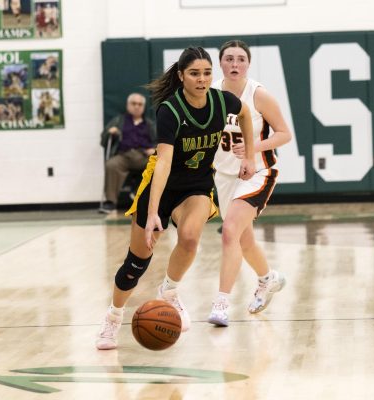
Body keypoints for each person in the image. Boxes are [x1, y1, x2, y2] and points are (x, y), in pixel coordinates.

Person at [96, 46, 256, 350]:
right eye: (194, 73)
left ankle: (169, 290)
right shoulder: (170, 110)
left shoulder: (224, 102)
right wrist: (154, 212)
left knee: (191, 237)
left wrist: (249, 156)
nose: (202, 79)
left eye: (207, 73)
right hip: (161, 183)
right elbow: (165, 163)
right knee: (136, 263)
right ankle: (112, 319)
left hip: (195, 184)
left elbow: (246, 114)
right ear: (181, 76)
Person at [207, 40, 292, 326]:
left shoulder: (259, 95)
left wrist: (254, 148)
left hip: (258, 172)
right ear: (220, 63)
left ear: (248, 64)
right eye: (229, 58)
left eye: (240, 59)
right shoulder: (211, 94)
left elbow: (284, 134)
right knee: (244, 240)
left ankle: (221, 303)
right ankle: (268, 279)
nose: (234, 64)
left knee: (229, 231)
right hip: (224, 175)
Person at [99, 93, 157, 214]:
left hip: (143, 156)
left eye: (140, 104)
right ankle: (110, 202)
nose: (137, 107)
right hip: (124, 155)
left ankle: (145, 196)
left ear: (143, 107)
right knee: (111, 165)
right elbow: (104, 140)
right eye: (133, 104)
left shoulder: (149, 124)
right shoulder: (119, 120)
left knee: (157, 165)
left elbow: (159, 142)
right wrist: (110, 133)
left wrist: (154, 149)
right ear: (128, 106)